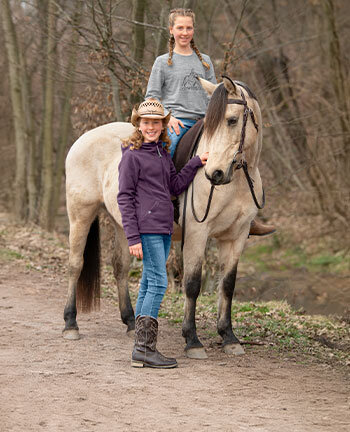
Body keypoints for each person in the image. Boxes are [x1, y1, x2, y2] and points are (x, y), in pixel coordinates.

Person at [145, 7, 276, 236]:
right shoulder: (163, 62)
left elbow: (216, 95)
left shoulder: (204, 61)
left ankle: (246, 216)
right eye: (180, 28)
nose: (185, 32)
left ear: (193, 30)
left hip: (206, 121)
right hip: (177, 122)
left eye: (189, 28)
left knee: (236, 155)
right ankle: (164, 203)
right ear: (171, 30)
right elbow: (152, 97)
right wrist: (168, 117)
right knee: (167, 151)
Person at [117, 98, 209, 369]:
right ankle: (145, 349)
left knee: (148, 282)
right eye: (146, 122)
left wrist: (194, 163)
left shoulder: (162, 153)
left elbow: (174, 186)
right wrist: (132, 237)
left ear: (163, 125)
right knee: (158, 283)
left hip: (164, 226)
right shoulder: (132, 156)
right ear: (138, 125)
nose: (151, 127)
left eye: (156, 122)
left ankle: (141, 349)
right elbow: (124, 197)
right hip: (146, 229)